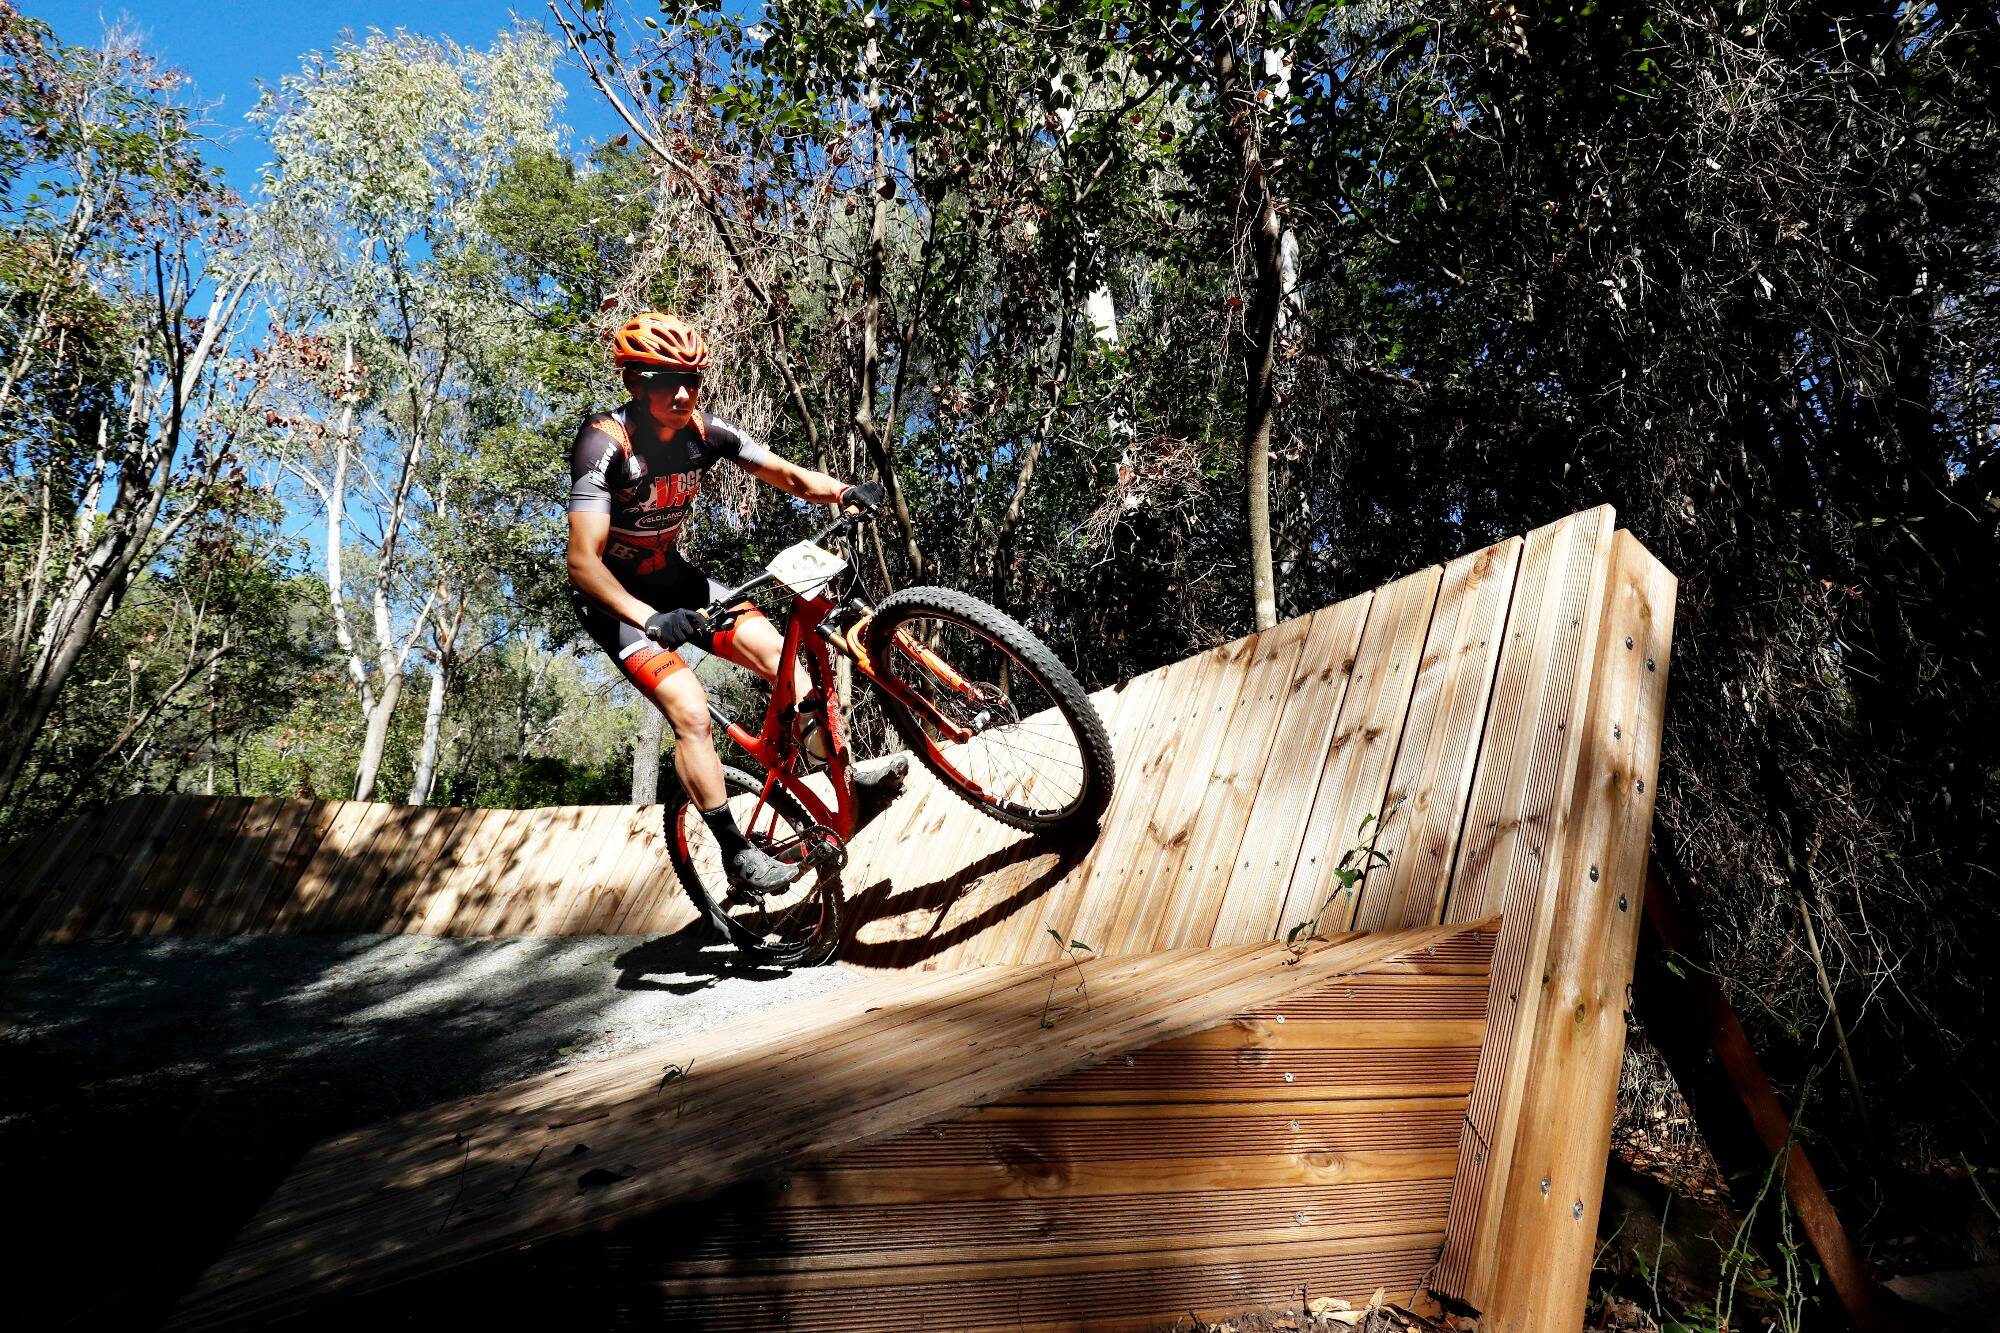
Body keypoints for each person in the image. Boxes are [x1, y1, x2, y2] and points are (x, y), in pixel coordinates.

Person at [566, 311, 906, 894]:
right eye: (663, 379)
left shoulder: (705, 433)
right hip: (618, 607)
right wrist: (649, 618)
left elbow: (790, 476)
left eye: (692, 381)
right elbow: (583, 562)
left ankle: (842, 779)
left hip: (678, 582)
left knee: (784, 662)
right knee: (692, 712)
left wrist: (843, 491)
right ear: (633, 383)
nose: (681, 393)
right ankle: (733, 851)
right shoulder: (605, 444)